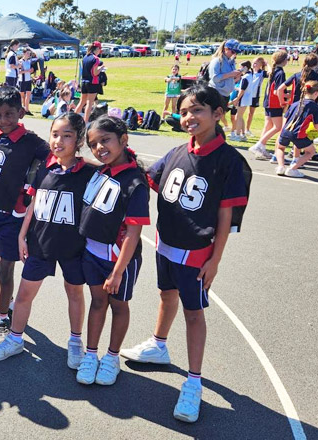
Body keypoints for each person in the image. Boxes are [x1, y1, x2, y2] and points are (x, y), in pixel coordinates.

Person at [121, 85, 251, 424]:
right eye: (184, 111)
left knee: (194, 313)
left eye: (197, 110)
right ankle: (158, 344)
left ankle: (193, 383)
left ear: (218, 114)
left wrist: (215, 260)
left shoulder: (230, 162)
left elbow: (225, 216)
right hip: (167, 243)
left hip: (197, 252)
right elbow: (146, 177)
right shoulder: (177, 151)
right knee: (166, 294)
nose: (189, 117)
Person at [0, 113, 96, 368]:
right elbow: (34, 203)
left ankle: (75, 342)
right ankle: (15, 339)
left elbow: (106, 168)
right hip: (40, 243)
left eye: (67, 136)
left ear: (79, 140)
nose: (59, 141)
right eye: (55, 134)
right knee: (24, 295)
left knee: (75, 293)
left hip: (72, 247)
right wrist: (23, 235)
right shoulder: (45, 166)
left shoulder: (88, 172)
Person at [75, 116, 150, 386]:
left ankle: (111, 357)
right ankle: (91, 354)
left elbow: (133, 233)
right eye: (93, 144)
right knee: (97, 303)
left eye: (105, 140)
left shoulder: (135, 183)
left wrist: (118, 272)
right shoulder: (102, 171)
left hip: (119, 261)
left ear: (123, 139)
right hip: (93, 255)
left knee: (118, 306)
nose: (99, 148)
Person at [0, 86, 50, 342]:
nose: (3, 120)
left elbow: (58, 157)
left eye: (9, 114)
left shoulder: (31, 142)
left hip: (12, 216)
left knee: (6, 267)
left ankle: (4, 317)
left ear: (20, 112)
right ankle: (4, 305)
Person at [273, 80, 318, 178]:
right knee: (311, 152)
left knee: (280, 147)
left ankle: (280, 166)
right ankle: (292, 169)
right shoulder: (315, 107)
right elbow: (317, 125)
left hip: (286, 130)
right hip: (299, 133)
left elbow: (286, 117)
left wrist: (282, 131)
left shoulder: (295, 103)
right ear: (316, 93)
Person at [249, 50, 288, 160]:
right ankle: (259, 145)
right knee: (278, 127)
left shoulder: (274, 70)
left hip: (268, 101)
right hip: (274, 102)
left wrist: (267, 64)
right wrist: (286, 98)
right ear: (284, 60)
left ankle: (261, 149)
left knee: (268, 126)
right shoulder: (280, 73)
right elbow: (277, 91)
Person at [208, 39, 242, 126]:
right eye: (233, 51)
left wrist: (236, 74)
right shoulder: (217, 61)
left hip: (225, 95)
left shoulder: (230, 62)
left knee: (218, 118)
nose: (234, 54)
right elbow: (215, 78)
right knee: (213, 119)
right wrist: (230, 74)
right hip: (216, 93)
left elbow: (229, 77)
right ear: (226, 49)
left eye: (236, 53)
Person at [76, 41, 104, 122]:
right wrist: (101, 68)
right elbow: (95, 73)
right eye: (99, 50)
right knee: (89, 103)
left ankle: (72, 119)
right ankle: (85, 121)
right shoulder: (96, 59)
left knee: (81, 102)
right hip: (92, 82)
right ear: (97, 49)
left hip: (84, 82)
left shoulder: (85, 57)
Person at [244, 57, 268, 138]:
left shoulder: (262, 73)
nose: (254, 65)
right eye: (253, 63)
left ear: (260, 65)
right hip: (246, 95)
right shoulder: (248, 71)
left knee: (250, 114)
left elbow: (271, 72)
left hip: (255, 96)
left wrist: (267, 64)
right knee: (240, 113)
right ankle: (238, 130)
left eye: (256, 63)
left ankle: (247, 129)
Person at [229, 61, 253, 141]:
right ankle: (243, 135)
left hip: (243, 98)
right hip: (247, 98)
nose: (240, 69)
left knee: (238, 117)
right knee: (240, 116)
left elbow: (242, 90)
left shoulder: (245, 77)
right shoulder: (250, 75)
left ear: (245, 67)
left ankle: (238, 135)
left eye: (241, 67)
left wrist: (237, 98)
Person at [18, 49, 35, 115]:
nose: (29, 55)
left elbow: (30, 70)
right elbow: (19, 71)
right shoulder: (20, 62)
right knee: (22, 96)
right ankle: (21, 108)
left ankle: (27, 109)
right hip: (22, 80)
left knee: (28, 95)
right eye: (27, 53)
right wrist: (27, 71)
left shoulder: (28, 61)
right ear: (24, 53)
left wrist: (31, 70)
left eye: (29, 53)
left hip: (28, 80)